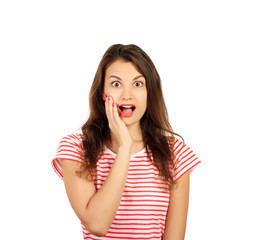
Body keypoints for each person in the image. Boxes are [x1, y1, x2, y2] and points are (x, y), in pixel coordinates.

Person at [51, 44, 201, 239]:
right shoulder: (75, 148)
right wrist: (124, 148)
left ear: (150, 93)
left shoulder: (175, 153)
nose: (126, 95)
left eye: (138, 84)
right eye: (116, 84)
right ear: (101, 92)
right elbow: (97, 224)